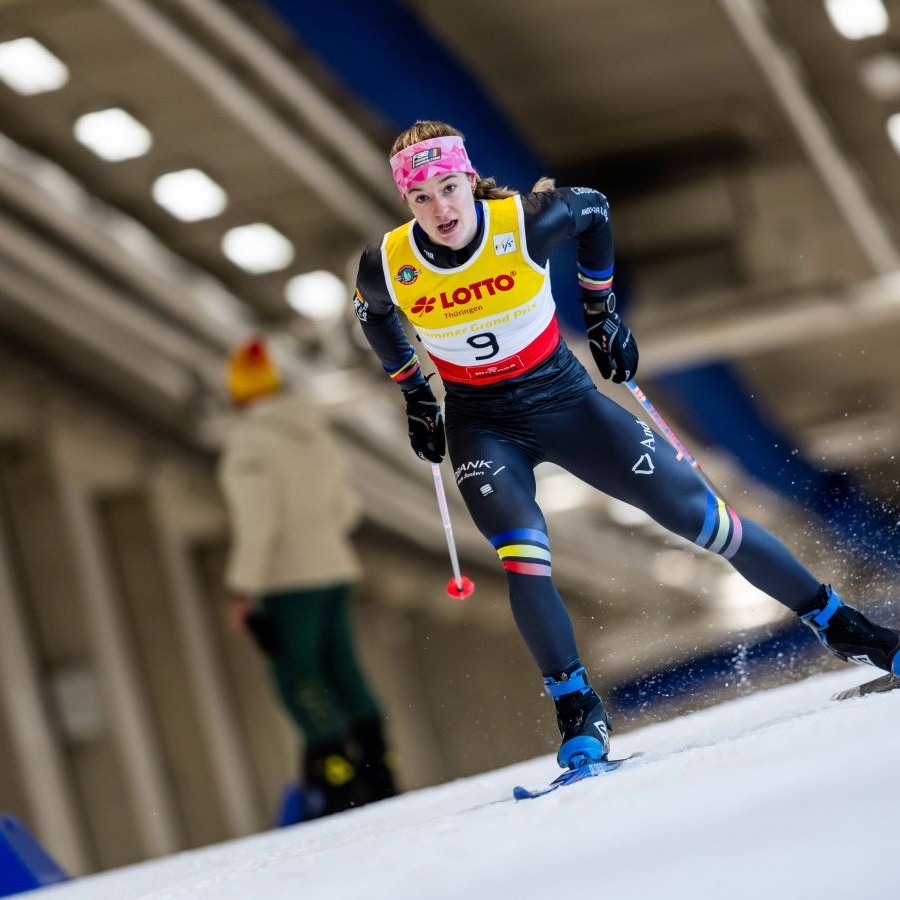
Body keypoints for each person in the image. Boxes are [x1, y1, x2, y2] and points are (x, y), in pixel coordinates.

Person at [352, 119, 900, 772]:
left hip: (568, 406)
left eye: (448, 187)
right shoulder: (388, 262)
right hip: (484, 426)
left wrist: (602, 313)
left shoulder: (522, 223)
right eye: (422, 198)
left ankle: (844, 627)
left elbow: (594, 210)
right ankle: (577, 708)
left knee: (709, 523)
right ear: (406, 203)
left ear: (468, 179)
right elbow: (373, 312)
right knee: (524, 557)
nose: (440, 208)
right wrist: (414, 393)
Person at [218, 336, 398, 817]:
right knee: (343, 668)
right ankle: (380, 767)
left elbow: (260, 522)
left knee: (298, 677)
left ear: (239, 392)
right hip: (335, 567)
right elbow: (347, 508)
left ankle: (337, 775)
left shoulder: (250, 443)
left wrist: (242, 588)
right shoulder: (315, 433)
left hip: (287, 580)